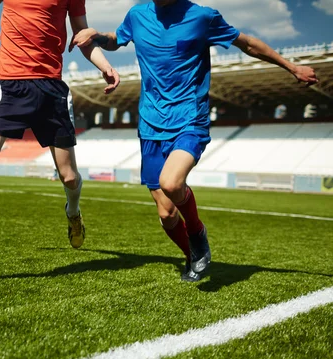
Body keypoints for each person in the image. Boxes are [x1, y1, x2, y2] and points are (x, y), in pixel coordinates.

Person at [70, 0, 318, 281]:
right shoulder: (137, 15)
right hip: (150, 123)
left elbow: (247, 44)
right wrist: (96, 35)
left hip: (190, 117)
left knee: (172, 183)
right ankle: (193, 256)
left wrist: (291, 67)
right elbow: (116, 40)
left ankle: (197, 231)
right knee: (165, 213)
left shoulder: (202, 17)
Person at [0, 0, 120, 284]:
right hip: (9, 83)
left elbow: (82, 34)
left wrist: (104, 65)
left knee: (68, 177)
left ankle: (73, 213)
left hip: (50, 88)